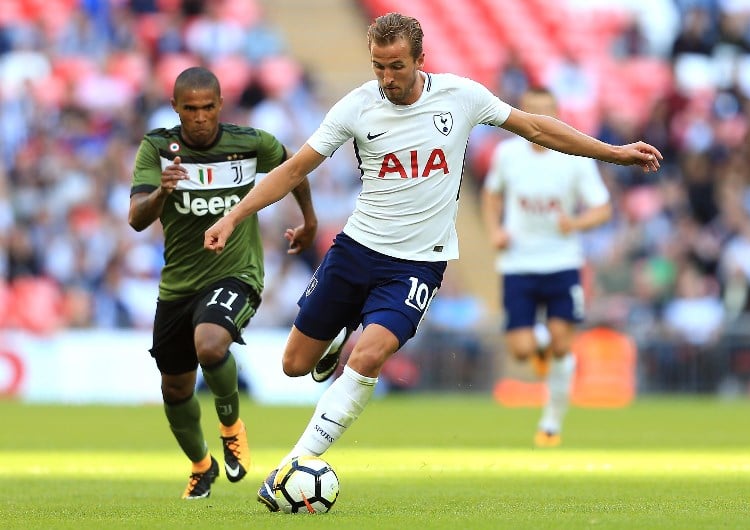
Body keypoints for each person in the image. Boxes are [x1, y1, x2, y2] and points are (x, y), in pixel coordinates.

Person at [202, 12, 661, 510]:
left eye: (396, 66)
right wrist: (234, 216)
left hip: (417, 264)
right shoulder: (358, 107)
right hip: (356, 251)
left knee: (370, 356)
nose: (386, 78)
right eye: (378, 66)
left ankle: (292, 465)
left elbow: (535, 127)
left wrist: (614, 153)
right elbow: (294, 169)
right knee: (294, 365)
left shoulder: (460, 97)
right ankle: (337, 332)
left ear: (421, 59)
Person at [128, 66, 317, 500]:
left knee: (211, 345)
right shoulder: (158, 147)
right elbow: (137, 219)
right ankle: (201, 465)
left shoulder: (250, 144)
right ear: (176, 108)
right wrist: (161, 192)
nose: (199, 117)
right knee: (174, 388)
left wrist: (309, 221)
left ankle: (232, 427)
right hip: (177, 285)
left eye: (207, 108)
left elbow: (295, 168)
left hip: (236, 272)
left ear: (220, 106)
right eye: (190, 109)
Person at [481, 87, 613, 448]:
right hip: (518, 263)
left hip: (562, 263)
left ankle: (551, 423)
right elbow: (491, 194)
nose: (539, 118)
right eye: (532, 111)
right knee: (521, 350)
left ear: (557, 114)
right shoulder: (507, 154)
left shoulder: (575, 157)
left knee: (562, 344)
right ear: (523, 113)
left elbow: (602, 208)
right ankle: (538, 347)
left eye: (546, 112)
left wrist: (575, 224)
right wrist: (495, 231)